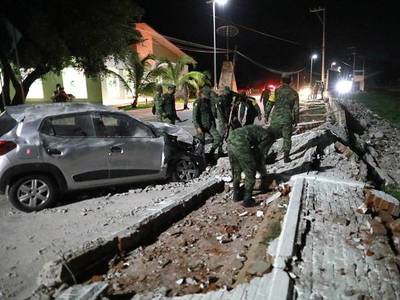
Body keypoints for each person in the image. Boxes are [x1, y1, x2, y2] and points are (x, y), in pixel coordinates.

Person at [227, 125, 277, 207]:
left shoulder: (259, 130)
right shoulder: (268, 137)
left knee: (236, 169)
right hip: (241, 142)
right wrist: (263, 172)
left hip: (231, 139)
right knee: (250, 171)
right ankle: (247, 200)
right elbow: (259, 153)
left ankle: (236, 195)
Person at [264, 74, 300, 163]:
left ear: (281, 80)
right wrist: (296, 120)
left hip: (276, 118)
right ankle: (286, 157)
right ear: (290, 81)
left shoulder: (275, 91)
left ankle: (264, 155)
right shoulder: (294, 93)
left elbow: (269, 104)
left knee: (270, 137)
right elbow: (296, 108)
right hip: (287, 119)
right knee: (287, 137)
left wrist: (266, 116)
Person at [193, 88, 223, 157]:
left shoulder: (208, 102)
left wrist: (214, 124)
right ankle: (200, 158)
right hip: (201, 126)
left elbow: (211, 115)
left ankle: (211, 153)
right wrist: (197, 127)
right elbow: (194, 117)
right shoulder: (197, 102)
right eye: (206, 95)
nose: (207, 97)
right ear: (202, 94)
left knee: (218, 138)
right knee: (201, 143)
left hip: (209, 125)